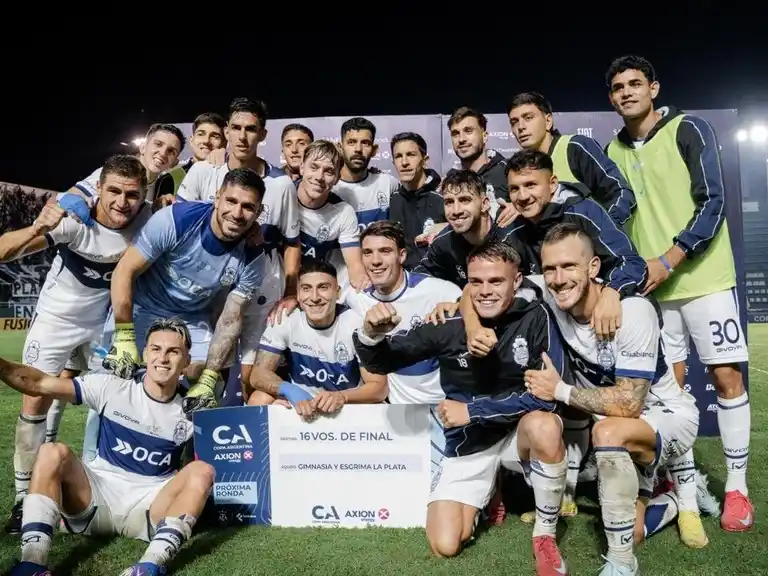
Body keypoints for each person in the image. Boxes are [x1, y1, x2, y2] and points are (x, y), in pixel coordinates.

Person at [354, 241, 570, 575]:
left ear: (517, 281)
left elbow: (547, 397)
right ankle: (488, 497)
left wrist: (473, 410)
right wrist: (370, 335)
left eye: (496, 281)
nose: (485, 291)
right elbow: (383, 362)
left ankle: (545, 533)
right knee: (445, 544)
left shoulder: (536, 317)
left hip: (518, 434)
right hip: (471, 441)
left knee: (545, 424)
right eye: (476, 282)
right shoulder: (448, 322)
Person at [605, 55, 752, 533]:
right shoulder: (613, 149)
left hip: (701, 277)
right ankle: (685, 493)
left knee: (727, 377)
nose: (627, 92)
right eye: (618, 87)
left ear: (653, 87)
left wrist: (669, 259)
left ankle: (737, 489)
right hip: (650, 290)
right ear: (611, 98)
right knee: (670, 393)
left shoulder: (690, 128)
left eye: (635, 84)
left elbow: (713, 200)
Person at [524, 223, 700, 575]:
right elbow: (493, 281)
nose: (558, 279)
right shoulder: (551, 293)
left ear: (593, 268)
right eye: (550, 269)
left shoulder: (632, 311)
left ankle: (622, 566)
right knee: (629, 531)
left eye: (569, 266)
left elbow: (629, 404)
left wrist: (559, 389)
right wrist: (465, 311)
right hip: (614, 430)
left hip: (666, 418)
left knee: (607, 433)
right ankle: (670, 500)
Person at [0, 155, 151, 534]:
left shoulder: (148, 221)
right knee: (36, 402)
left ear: (143, 195)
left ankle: (96, 485)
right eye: (113, 191)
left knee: (109, 400)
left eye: (132, 194)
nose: (121, 202)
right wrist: (37, 225)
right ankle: (24, 500)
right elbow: (6, 248)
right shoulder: (74, 222)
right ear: (98, 189)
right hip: (56, 321)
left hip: (102, 327)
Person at [0, 318, 214, 576]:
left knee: (202, 471)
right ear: (145, 354)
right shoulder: (112, 387)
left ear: (187, 361)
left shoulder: (193, 409)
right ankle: (32, 564)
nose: (163, 358)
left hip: (148, 511)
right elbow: (38, 384)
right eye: (156, 349)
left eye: (173, 351)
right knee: (51, 451)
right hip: (94, 501)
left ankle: (149, 567)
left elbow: (219, 465)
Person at [104, 168, 267, 415]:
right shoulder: (176, 220)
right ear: (217, 197)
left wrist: (210, 376)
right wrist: (124, 334)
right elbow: (124, 271)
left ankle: (184, 450)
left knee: (207, 387)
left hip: (191, 317)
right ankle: (95, 452)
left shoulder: (254, 257)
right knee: (113, 383)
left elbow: (231, 318)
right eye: (231, 201)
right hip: (143, 306)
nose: (236, 213)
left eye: (247, 207)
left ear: (258, 212)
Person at [176, 97, 301, 404]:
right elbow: (178, 232)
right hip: (208, 294)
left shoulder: (281, 185)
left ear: (263, 134)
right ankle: (193, 444)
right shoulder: (203, 173)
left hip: (261, 293)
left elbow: (291, 243)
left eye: (251, 129)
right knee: (199, 372)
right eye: (236, 128)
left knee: (248, 381)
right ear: (226, 130)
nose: (243, 136)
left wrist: (290, 292)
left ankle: (242, 448)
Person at [247, 260, 388, 419]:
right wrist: (289, 390)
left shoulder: (356, 323)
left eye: (323, 288)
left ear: (338, 292)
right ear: (298, 295)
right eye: (306, 289)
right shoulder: (285, 319)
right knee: (259, 398)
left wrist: (342, 396)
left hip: (346, 405)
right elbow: (257, 375)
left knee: (379, 408)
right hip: (303, 406)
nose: (314, 297)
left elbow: (379, 388)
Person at [507, 91, 635, 225]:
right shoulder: (517, 170)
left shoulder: (574, 147)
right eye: (514, 122)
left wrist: (604, 232)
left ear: (548, 121)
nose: (520, 127)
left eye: (528, 117)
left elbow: (621, 192)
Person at [295, 140, 369, 291]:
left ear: (336, 178)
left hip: (317, 284)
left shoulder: (343, 212)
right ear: (302, 167)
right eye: (314, 167)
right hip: (279, 284)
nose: (319, 177)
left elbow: (355, 267)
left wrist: (365, 290)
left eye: (328, 171)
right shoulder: (281, 196)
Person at [414, 170, 505, 287]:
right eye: (449, 202)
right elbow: (418, 280)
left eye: (465, 200)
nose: (456, 211)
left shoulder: (509, 237)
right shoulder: (443, 243)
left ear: (485, 204)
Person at [70, 123, 185, 205]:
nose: (163, 153)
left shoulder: (161, 186)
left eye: (171, 151)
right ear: (143, 147)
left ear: (174, 163)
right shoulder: (116, 171)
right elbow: (71, 196)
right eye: (158, 144)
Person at [446, 106, 516, 225]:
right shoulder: (449, 181)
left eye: (468, 131)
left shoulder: (509, 170)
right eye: (455, 134)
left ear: (484, 136)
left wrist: (519, 208)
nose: (461, 139)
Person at [387, 132, 446, 270]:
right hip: (404, 282)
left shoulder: (444, 195)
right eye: (398, 156)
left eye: (411, 155)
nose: (404, 162)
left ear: (425, 161)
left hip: (440, 278)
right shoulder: (393, 199)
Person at [332, 117, 400, 231]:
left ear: (374, 150)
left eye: (365, 143)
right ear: (340, 148)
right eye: (351, 142)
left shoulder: (388, 183)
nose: (358, 149)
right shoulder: (329, 188)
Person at [153, 112, 227, 204]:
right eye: (201, 134)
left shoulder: (230, 176)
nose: (206, 141)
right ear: (191, 139)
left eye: (215, 136)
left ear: (224, 143)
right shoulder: (169, 179)